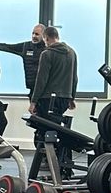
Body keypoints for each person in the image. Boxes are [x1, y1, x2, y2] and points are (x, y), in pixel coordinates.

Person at [30, 25, 79, 175]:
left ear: (46, 38)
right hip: (64, 99)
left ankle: (53, 164)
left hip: (47, 99)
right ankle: (64, 166)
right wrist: (71, 97)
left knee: (46, 131)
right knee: (60, 130)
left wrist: (33, 101)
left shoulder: (47, 54)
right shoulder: (72, 52)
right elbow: (75, 78)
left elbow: (41, 80)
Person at [0, 23, 46, 97]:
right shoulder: (26, 46)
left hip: (46, 90)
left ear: (44, 36)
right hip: (32, 88)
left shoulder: (48, 49)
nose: (34, 36)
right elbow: (7, 47)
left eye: (37, 34)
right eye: (33, 33)